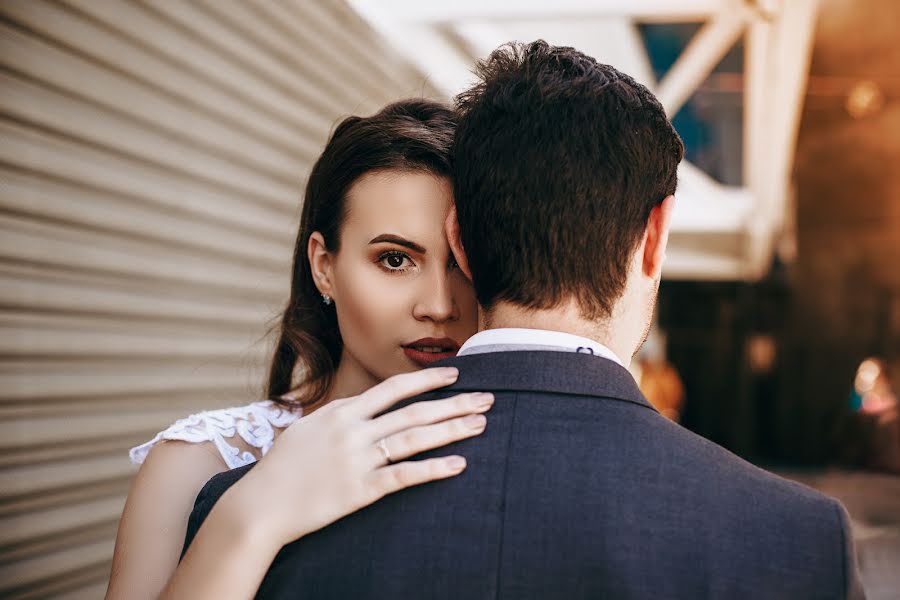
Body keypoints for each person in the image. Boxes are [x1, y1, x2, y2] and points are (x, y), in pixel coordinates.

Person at [185, 41, 865, 599]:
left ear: (461, 240)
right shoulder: (796, 542)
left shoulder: (256, 511)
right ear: (654, 237)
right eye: (393, 259)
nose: (432, 304)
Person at [105, 100, 487, 599]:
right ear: (324, 265)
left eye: (462, 262)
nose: (438, 305)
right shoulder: (201, 465)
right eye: (394, 260)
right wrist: (252, 514)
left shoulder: (520, 452)